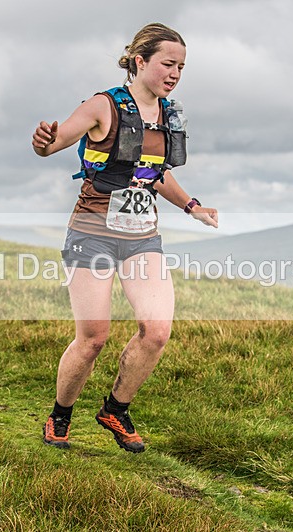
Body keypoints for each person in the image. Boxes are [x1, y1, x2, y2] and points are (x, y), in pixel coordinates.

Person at [31, 22, 218, 453]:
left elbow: (156, 175)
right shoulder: (103, 106)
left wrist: (192, 206)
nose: (175, 73)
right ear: (140, 61)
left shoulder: (169, 113)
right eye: (168, 64)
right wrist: (43, 143)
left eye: (181, 67)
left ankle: (116, 409)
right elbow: (57, 141)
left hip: (142, 237)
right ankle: (60, 416)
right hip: (92, 234)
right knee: (93, 337)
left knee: (156, 331)